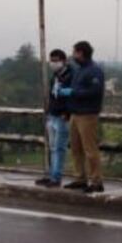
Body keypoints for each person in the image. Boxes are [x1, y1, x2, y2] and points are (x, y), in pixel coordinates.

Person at [60, 41, 106, 194]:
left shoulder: (94, 71)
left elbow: (95, 92)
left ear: (81, 53)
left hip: (88, 114)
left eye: (74, 52)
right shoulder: (79, 70)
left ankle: (96, 180)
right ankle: (80, 178)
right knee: (75, 148)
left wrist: (73, 93)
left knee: (90, 149)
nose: (72, 55)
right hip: (75, 113)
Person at [35, 49, 73, 188]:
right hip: (52, 115)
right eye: (52, 60)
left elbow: (72, 96)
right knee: (52, 147)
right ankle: (51, 175)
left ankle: (56, 177)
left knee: (59, 148)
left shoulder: (71, 75)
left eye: (56, 60)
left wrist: (67, 112)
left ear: (64, 60)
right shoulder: (55, 76)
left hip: (63, 117)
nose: (53, 63)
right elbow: (53, 95)